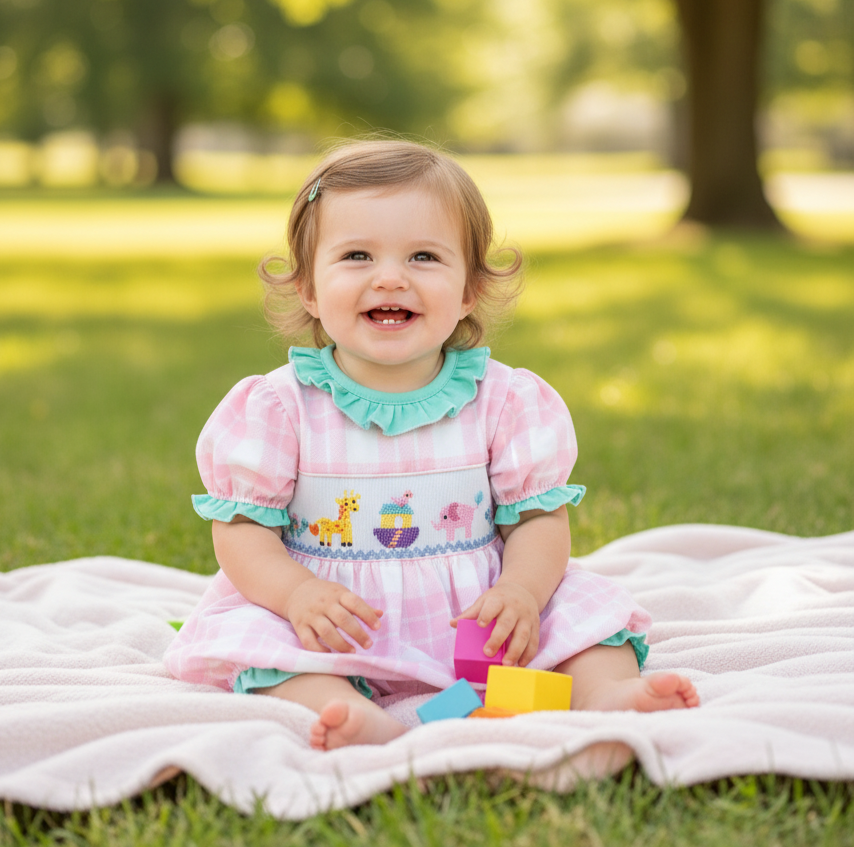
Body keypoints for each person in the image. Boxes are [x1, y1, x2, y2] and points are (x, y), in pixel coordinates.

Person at [164, 139, 699, 751]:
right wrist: (296, 594)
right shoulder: (280, 407)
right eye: (357, 255)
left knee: (583, 617)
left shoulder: (504, 401)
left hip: (478, 619)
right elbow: (242, 531)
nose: (390, 277)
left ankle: (604, 696)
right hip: (335, 624)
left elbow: (537, 518)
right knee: (264, 646)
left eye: (423, 256)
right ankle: (356, 713)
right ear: (308, 288)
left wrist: (522, 591)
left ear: (469, 289)